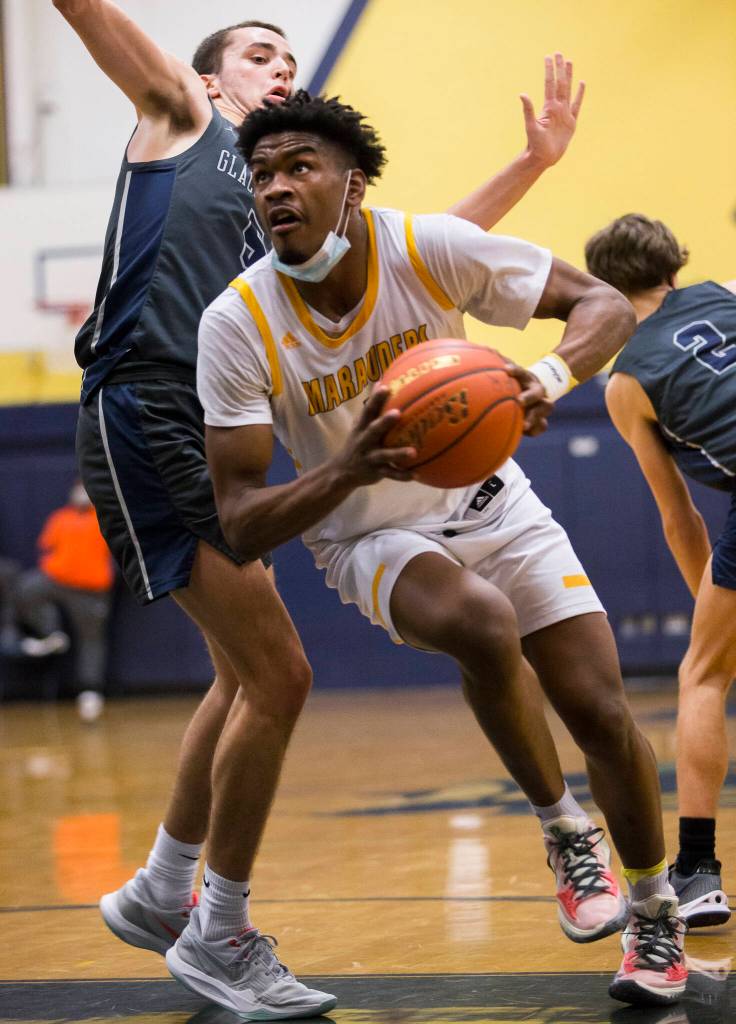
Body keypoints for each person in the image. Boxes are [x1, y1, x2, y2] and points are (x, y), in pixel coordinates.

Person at [53, 2, 585, 1017]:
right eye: (260, 55)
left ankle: (164, 888)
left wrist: (533, 164)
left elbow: (425, 245)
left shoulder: (291, 195)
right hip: (148, 406)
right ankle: (217, 931)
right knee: (278, 675)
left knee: (242, 674)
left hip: (220, 422)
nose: (282, 69)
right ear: (209, 81)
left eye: (291, 58)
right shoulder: (183, 120)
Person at [196, 91, 688, 1009]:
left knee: (600, 709)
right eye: (261, 175)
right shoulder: (237, 323)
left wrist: (545, 376)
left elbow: (604, 305)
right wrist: (344, 470)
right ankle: (564, 830)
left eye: (300, 167)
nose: (275, 188)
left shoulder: (427, 248)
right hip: (369, 533)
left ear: (354, 186)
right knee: (482, 625)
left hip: (492, 500)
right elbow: (239, 521)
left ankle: (656, 912)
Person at [586, 213, 735, 929]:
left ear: (605, 293)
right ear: (674, 266)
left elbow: (680, 519)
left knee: (703, 676)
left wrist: (713, 610)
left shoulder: (625, 383)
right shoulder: (727, 292)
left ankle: (699, 872)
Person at [14, 480, 114, 721]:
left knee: (92, 640)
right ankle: (51, 633)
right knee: (26, 590)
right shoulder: (60, 518)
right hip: (56, 580)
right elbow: (47, 547)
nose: (82, 493)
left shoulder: (107, 519)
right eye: (79, 488)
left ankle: (90, 692)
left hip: (90, 590)